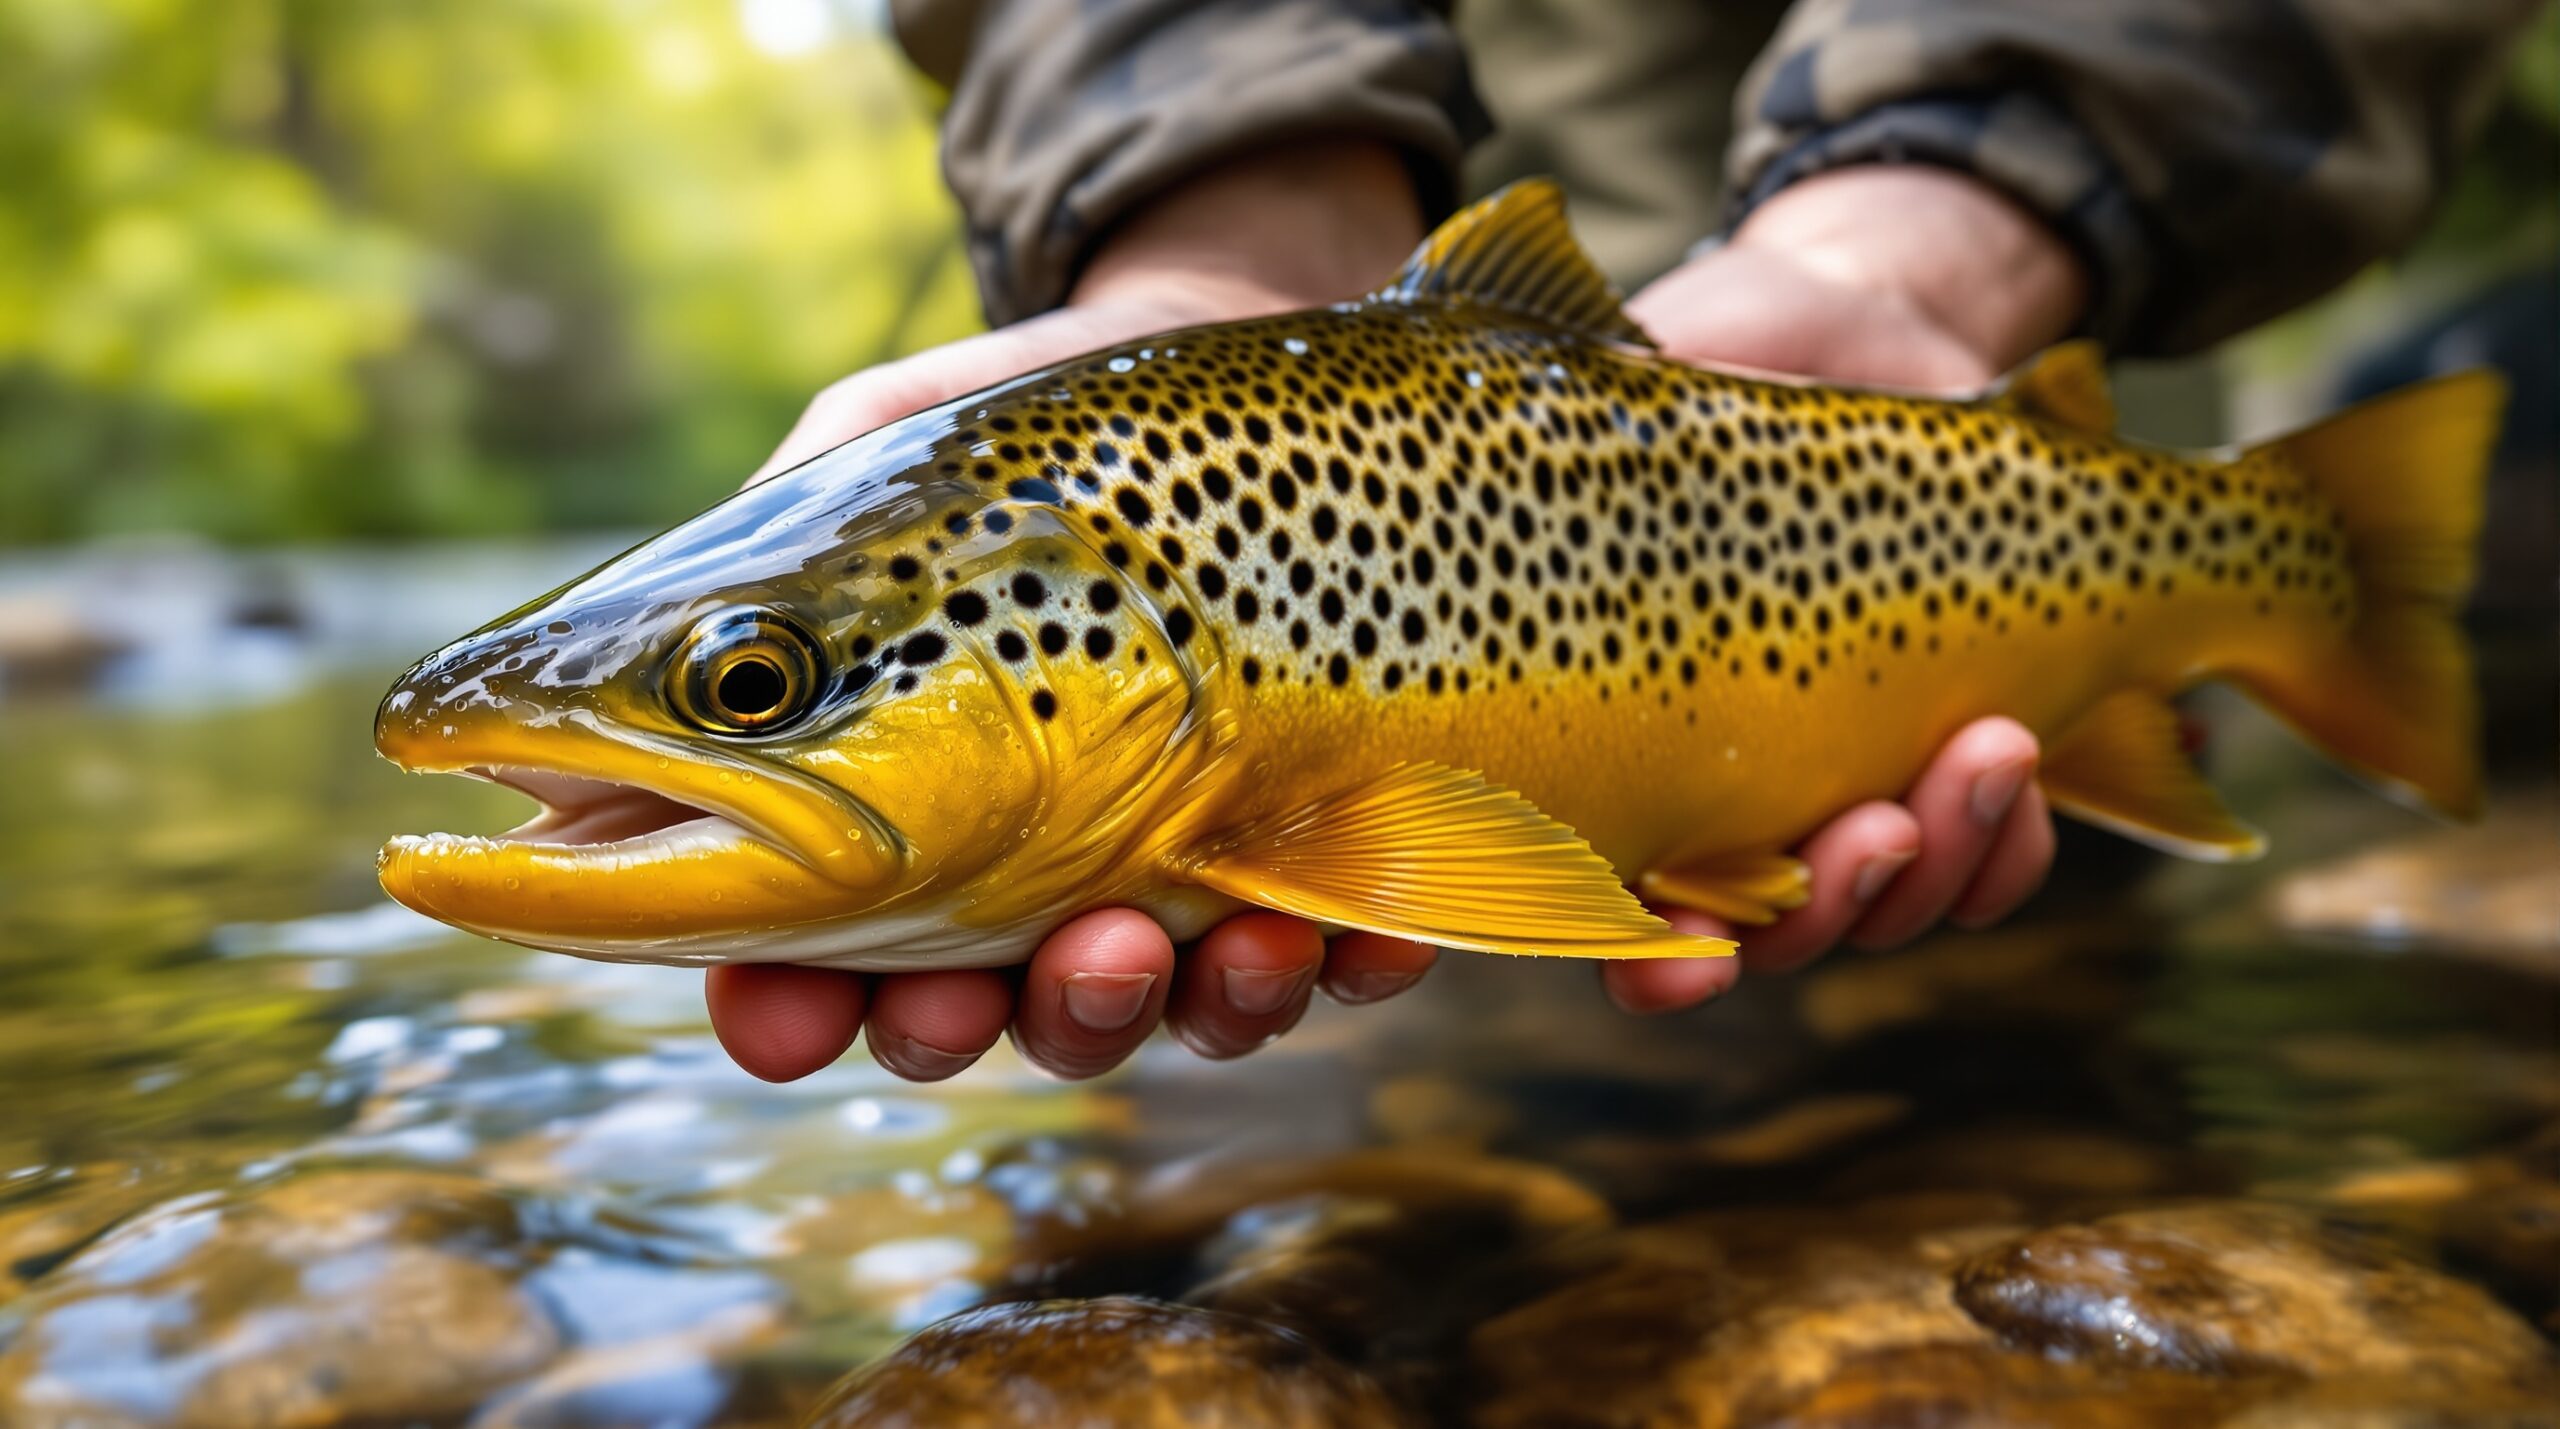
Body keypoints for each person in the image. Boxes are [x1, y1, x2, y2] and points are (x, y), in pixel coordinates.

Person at [705, 0, 2540, 1084]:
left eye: (753, 684)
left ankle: (2270, 589)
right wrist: (1226, 207)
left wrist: (1954, 217)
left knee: (1989, 1060)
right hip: (1475, 205)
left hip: (2019, 256)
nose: (747, 709)